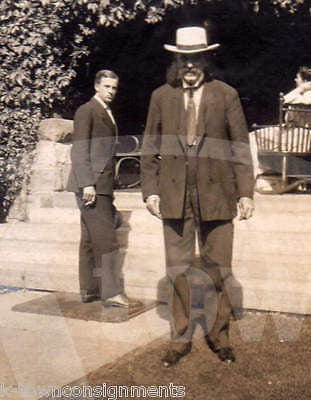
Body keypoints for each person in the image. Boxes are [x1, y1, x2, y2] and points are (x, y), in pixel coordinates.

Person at [141, 26, 254, 367]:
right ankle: (180, 339)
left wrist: (246, 193)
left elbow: (240, 148)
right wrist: (150, 191)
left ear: (206, 60)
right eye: (183, 60)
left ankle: (219, 337)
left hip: (217, 193)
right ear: (177, 61)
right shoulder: (162, 96)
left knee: (218, 268)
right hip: (175, 194)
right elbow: (149, 147)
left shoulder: (226, 95)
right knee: (177, 268)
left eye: (196, 59)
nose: (190, 67)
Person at [67, 69, 128, 308]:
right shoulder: (87, 111)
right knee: (107, 240)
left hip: (100, 185)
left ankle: (89, 290)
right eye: (107, 87)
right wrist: (87, 184)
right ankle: (111, 293)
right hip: (91, 185)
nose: (111, 91)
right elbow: (79, 150)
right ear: (96, 86)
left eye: (114, 88)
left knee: (90, 240)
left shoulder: (105, 111)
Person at [250, 66, 311, 178]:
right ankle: (267, 173)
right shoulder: (302, 96)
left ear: (306, 81)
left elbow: (284, 100)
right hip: (301, 137)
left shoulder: (306, 95)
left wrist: (301, 88)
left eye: (298, 78)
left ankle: (256, 173)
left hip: (296, 138)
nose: (295, 80)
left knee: (252, 137)